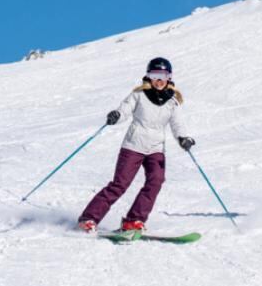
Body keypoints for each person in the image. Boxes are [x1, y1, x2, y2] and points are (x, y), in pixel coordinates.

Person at [77, 57, 194, 232]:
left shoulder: (172, 102)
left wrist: (183, 138)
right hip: (133, 146)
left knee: (156, 181)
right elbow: (125, 109)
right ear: (148, 76)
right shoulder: (139, 95)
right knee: (120, 184)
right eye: (155, 75)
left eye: (163, 75)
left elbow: (177, 124)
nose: (159, 79)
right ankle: (88, 219)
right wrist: (117, 115)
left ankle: (133, 220)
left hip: (156, 149)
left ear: (169, 77)